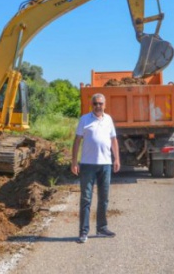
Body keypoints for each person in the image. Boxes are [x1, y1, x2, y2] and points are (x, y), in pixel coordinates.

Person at [71, 93, 121, 244]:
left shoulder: (109, 119)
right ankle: (83, 232)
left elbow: (113, 140)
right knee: (86, 199)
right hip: (87, 165)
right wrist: (74, 162)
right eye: (95, 104)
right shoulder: (84, 119)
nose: (98, 106)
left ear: (104, 105)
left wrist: (116, 158)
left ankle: (102, 228)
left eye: (100, 103)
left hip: (105, 164)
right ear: (91, 105)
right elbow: (77, 141)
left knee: (103, 198)